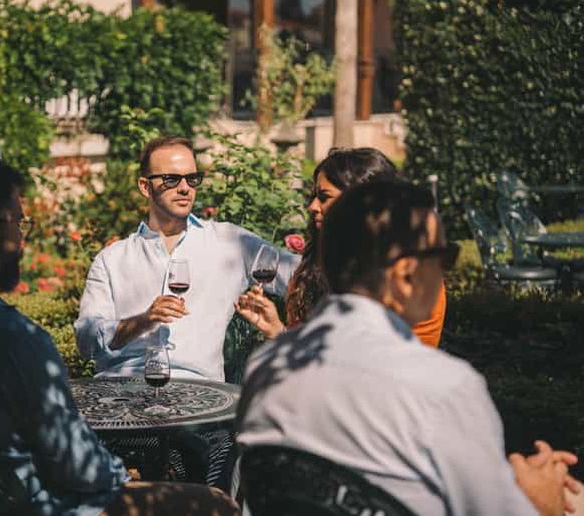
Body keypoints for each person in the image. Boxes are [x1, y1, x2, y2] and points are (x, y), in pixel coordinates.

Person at [0, 152, 238, 515]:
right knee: (214, 504)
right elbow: (77, 466)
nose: (23, 240)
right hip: (28, 506)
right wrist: (121, 473)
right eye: (19, 225)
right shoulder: (14, 339)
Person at [236, 180, 578, 515]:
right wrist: (542, 499)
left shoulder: (267, 364)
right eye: (443, 256)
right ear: (405, 275)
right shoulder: (441, 386)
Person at [74, 136, 298, 381]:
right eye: (171, 179)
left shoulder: (230, 243)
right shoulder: (112, 259)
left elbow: (305, 277)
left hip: (197, 392)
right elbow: (86, 341)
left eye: (192, 179)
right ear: (144, 186)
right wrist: (141, 322)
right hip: (122, 390)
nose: (184, 188)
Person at [235, 147, 446, 347]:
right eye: (314, 196)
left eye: (324, 197)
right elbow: (305, 354)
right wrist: (276, 330)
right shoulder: (313, 266)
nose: (312, 207)